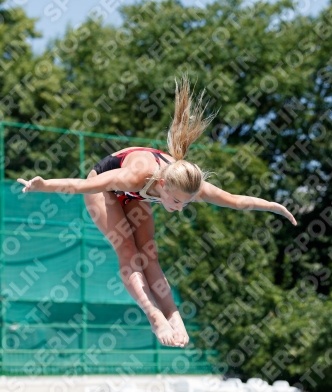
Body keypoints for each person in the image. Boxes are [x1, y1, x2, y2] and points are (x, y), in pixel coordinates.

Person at [17, 76, 297, 348]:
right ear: (162, 185)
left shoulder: (186, 184)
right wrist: (43, 185)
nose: (178, 209)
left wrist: (274, 206)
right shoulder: (135, 175)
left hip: (140, 196)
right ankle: (154, 317)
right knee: (127, 250)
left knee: (149, 254)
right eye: (175, 202)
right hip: (103, 188)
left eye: (185, 204)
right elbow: (81, 185)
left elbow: (234, 200)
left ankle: (174, 316)